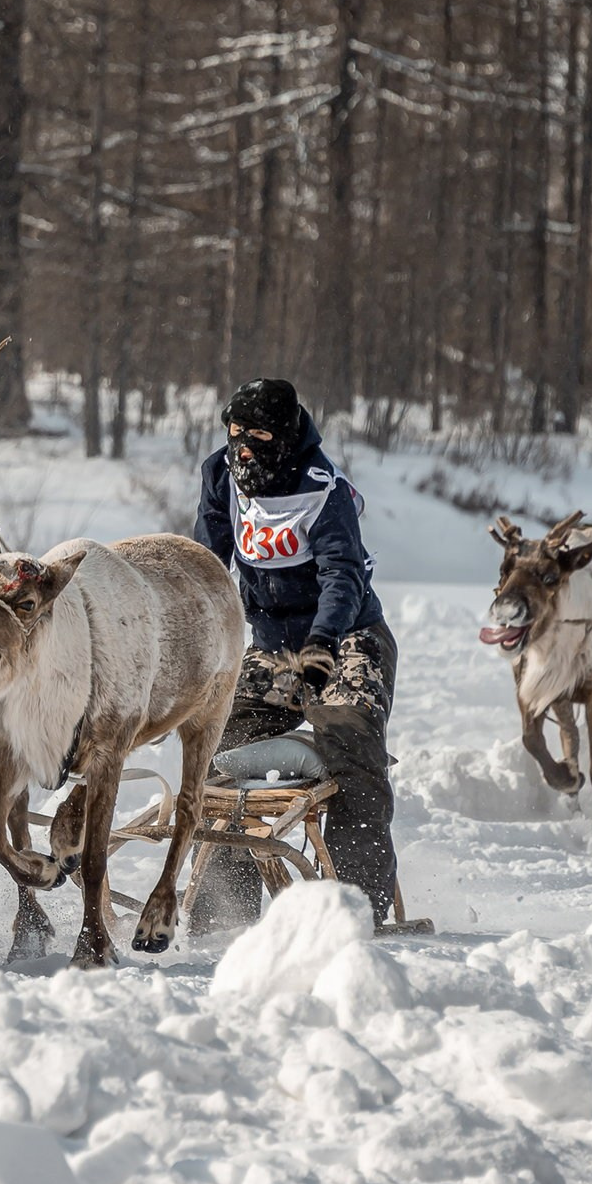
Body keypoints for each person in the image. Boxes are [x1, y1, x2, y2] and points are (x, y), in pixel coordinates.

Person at [189, 378, 398, 926]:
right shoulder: (220, 475)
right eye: (235, 434)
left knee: (350, 745)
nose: (244, 449)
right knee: (219, 746)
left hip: (347, 639)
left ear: (284, 437)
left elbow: (343, 578)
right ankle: (221, 913)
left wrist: (321, 646)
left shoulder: (323, 489)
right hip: (270, 648)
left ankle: (358, 909)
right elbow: (206, 569)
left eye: (258, 435)